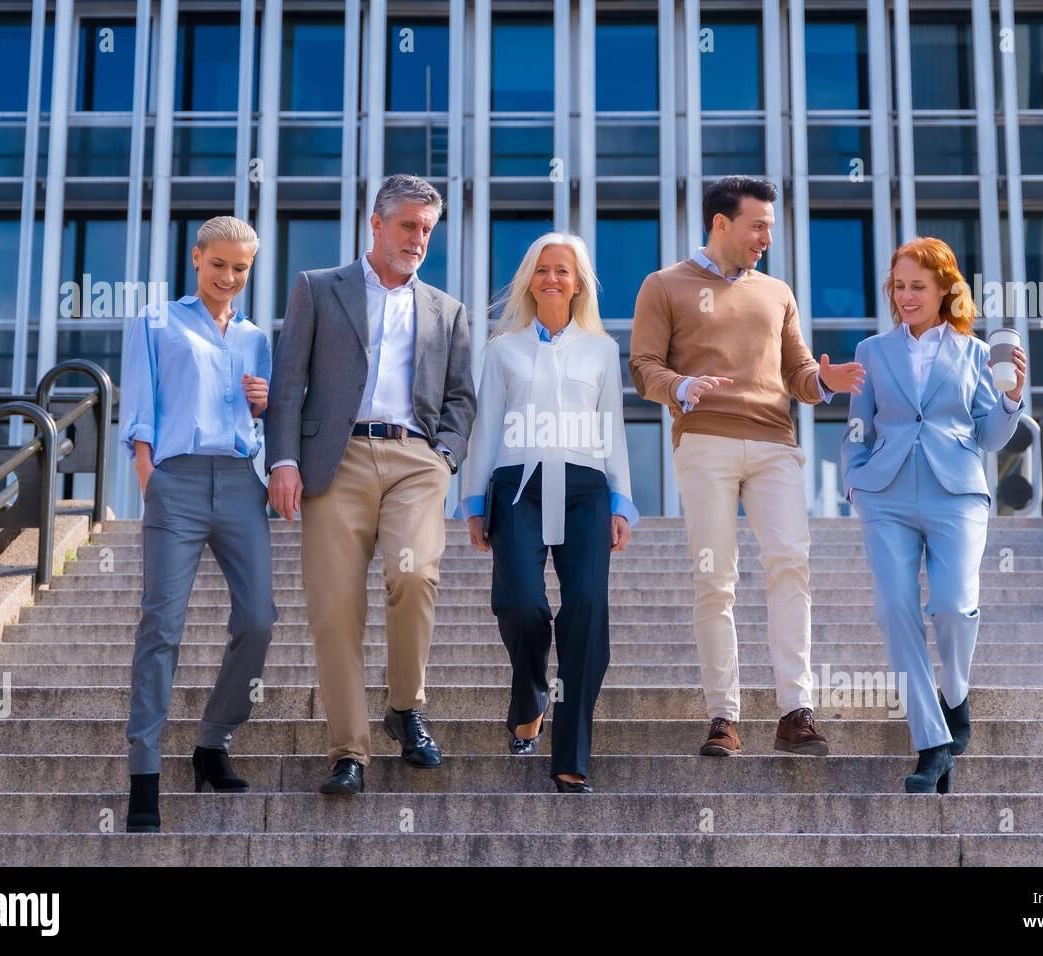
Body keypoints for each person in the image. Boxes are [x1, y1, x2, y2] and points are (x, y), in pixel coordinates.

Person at [629, 176, 864, 759]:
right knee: (716, 578)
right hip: (704, 440)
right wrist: (682, 384)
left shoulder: (777, 291)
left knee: (791, 563)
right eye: (757, 225)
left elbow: (798, 373)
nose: (765, 237)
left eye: (770, 227)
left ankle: (794, 711)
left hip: (774, 444)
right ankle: (723, 716)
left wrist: (823, 382)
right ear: (721, 223)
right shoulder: (664, 285)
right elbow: (642, 366)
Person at [266, 174, 476, 796]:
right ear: (376, 224)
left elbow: (462, 397)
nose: (417, 239)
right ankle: (348, 750)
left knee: (414, 574)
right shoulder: (318, 289)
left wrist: (444, 458)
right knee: (335, 610)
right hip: (337, 460)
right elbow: (287, 383)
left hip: (415, 460)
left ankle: (406, 706)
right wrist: (282, 461)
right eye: (408, 226)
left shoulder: (447, 310)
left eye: (427, 231)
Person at [841, 236, 1027, 793]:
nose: (906, 296)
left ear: (946, 288)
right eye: (898, 286)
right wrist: (854, 480)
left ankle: (956, 697)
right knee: (895, 609)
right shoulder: (871, 351)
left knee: (951, 604)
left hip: (957, 493)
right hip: (885, 493)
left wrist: (1013, 399)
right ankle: (932, 742)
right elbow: (858, 425)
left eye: (917, 286)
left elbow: (992, 436)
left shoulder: (974, 353)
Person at [458, 232, 637, 794]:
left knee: (586, 611)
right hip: (518, 486)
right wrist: (472, 499)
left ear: (578, 281)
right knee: (519, 602)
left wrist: (620, 499)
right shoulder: (502, 348)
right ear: (529, 280)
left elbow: (613, 427)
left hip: (584, 487)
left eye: (563, 270)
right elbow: (486, 427)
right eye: (543, 270)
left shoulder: (602, 349)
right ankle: (531, 691)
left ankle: (572, 754)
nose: (552, 279)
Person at [118, 215, 275, 833]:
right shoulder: (156, 321)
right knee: (162, 622)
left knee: (259, 617)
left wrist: (263, 406)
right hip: (176, 480)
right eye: (219, 265)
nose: (229, 278)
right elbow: (140, 406)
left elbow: (260, 419)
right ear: (196, 258)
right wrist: (149, 480)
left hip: (240, 482)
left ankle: (213, 741)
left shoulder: (258, 337)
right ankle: (144, 773)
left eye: (241, 269)